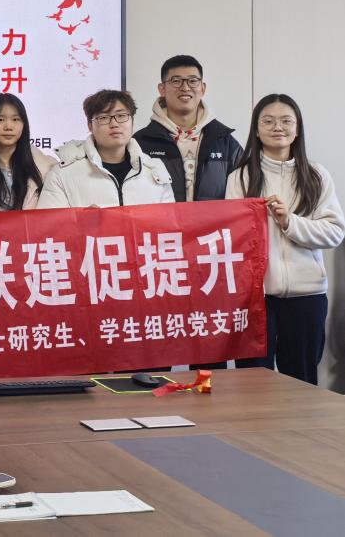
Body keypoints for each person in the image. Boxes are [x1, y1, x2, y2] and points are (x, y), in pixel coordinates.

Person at [226, 94, 344, 385]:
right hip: (255, 299)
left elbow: (334, 232)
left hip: (307, 297)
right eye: (268, 121)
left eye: (286, 121)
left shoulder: (316, 176)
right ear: (256, 130)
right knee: (253, 384)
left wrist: (289, 222)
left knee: (302, 383)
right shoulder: (240, 177)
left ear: (297, 128)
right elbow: (232, 238)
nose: (277, 127)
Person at [37, 90, 174, 209]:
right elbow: (48, 225)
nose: (114, 124)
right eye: (103, 117)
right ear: (90, 125)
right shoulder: (62, 174)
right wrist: (79, 222)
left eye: (121, 116)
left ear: (132, 121)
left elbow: (169, 224)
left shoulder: (155, 170)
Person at [134, 55, 243, 203]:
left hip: (212, 220)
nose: (185, 88)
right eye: (176, 81)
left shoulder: (226, 143)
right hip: (162, 220)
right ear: (162, 89)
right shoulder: (140, 143)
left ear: (202, 88)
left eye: (193, 81)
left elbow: (244, 196)